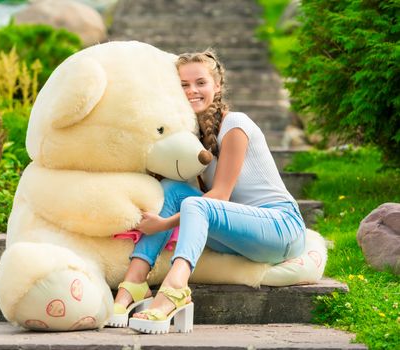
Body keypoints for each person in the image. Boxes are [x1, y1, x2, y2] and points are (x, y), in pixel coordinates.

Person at [106, 50, 306, 334]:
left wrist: (163, 224)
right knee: (172, 189)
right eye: (184, 85)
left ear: (217, 86)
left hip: (280, 228)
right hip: (239, 234)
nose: (192, 91)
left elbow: (220, 197)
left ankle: (175, 289)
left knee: (195, 205)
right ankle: (133, 285)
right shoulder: (190, 138)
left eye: (200, 82)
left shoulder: (235, 124)